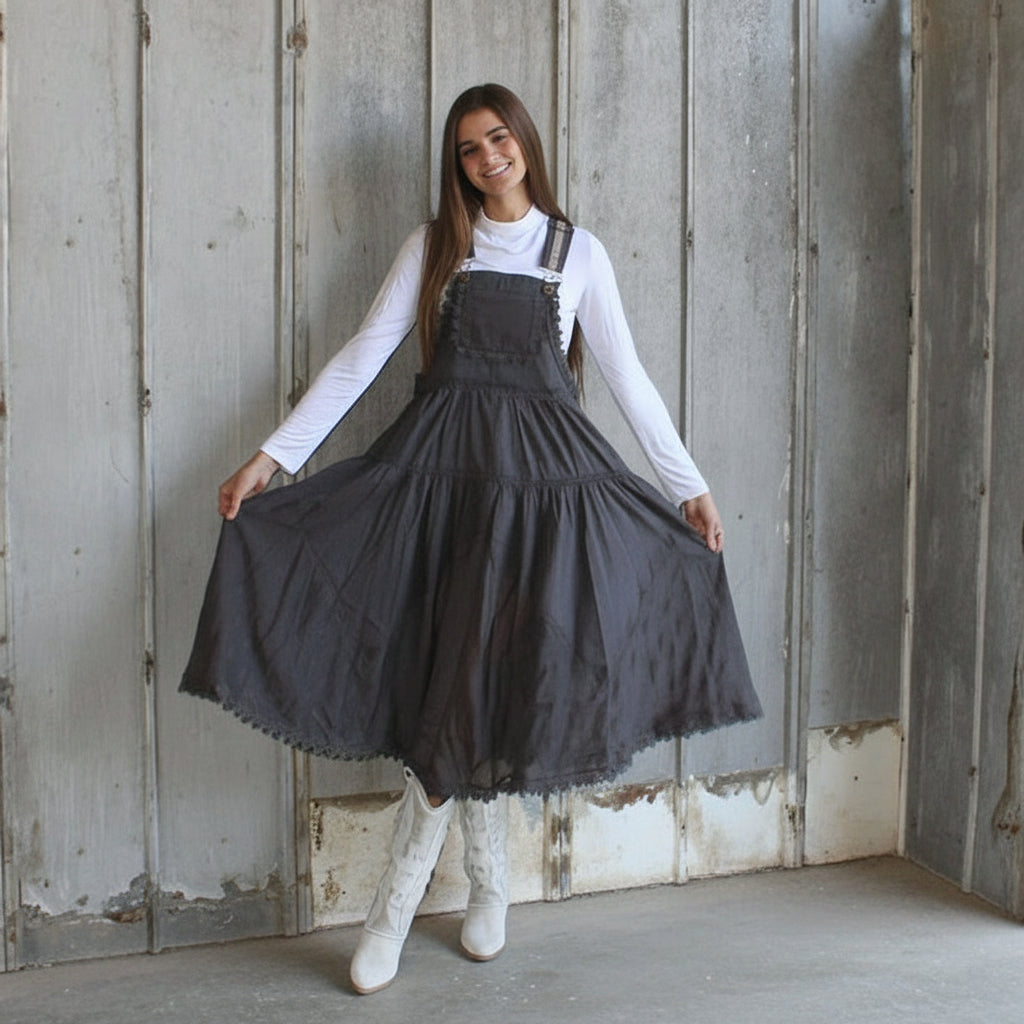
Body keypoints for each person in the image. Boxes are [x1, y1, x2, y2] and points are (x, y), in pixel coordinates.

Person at [181, 83, 761, 995]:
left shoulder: (576, 253)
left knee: (484, 694)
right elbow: (361, 356)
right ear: (456, 165)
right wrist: (272, 459)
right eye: (469, 149)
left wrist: (687, 488)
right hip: (441, 498)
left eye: (499, 138)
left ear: (524, 141)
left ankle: (450, 898)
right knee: (455, 696)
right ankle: (435, 901)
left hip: (539, 507)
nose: (489, 158)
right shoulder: (436, 247)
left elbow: (629, 379)